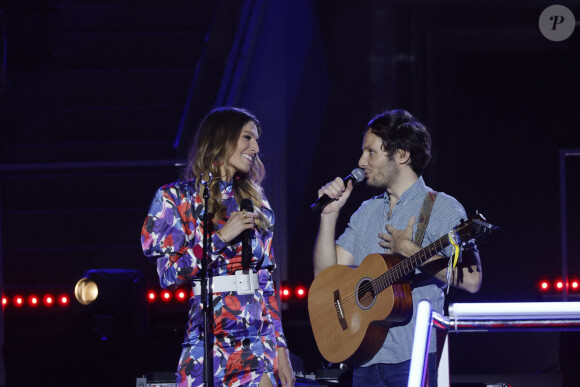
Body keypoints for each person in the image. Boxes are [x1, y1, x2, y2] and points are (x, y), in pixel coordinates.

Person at [312, 109, 482, 386]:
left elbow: (473, 280)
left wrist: (411, 251)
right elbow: (325, 276)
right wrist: (329, 216)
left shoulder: (442, 208)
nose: (360, 161)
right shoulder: (367, 211)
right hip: (364, 356)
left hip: (414, 358)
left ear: (401, 155)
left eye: (371, 152)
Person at [141, 107, 295, 387]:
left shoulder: (256, 202)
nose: (256, 147)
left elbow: (266, 283)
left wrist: (281, 348)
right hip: (206, 337)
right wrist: (220, 238)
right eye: (248, 137)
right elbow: (169, 276)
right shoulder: (176, 198)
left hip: (257, 339)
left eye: (257, 140)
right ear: (221, 139)